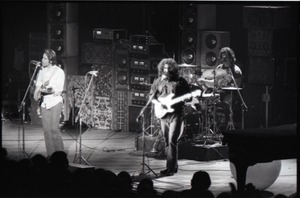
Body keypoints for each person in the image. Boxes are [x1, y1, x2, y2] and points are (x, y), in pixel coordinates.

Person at [148, 58, 192, 176]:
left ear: (173, 69)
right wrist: (159, 105)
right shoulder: (158, 81)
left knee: (172, 141)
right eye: (164, 68)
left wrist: (185, 97)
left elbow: (189, 97)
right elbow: (151, 97)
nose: (165, 71)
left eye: (168, 69)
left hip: (177, 114)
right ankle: (172, 166)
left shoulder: (181, 81)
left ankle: (170, 169)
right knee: (167, 141)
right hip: (163, 115)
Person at [198, 47, 242, 127]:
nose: (224, 59)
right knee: (205, 103)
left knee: (226, 103)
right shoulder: (219, 68)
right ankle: (211, 127)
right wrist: (204, 81)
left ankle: (227, 126)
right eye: (222, 57)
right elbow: (215, 83)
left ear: (231, 58)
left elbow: (237, 87)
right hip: (219, 93)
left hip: (231, 94)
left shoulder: (236, 70)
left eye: (226, 57)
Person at [33, 49, 65, 157]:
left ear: (51, 60)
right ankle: (50, 156)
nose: (42, 60)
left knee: (54, 129)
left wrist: (45, 90)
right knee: (46, 131)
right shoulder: (41, 71)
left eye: (44, 58)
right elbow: (38, 85)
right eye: (42, 58)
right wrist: (36, 92)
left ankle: (60, 156)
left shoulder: (59, 72)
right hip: (45, 102)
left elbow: (59, 89)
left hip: (55, 101)